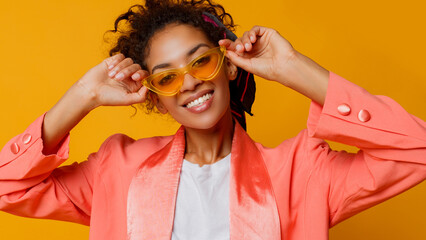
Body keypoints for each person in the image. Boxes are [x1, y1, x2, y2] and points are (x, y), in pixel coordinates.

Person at [0, 0, 425, 239]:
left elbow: (417, 151)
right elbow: (7, 188)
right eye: (167, 77)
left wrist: (294, 67)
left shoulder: (302, 171)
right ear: (156, 95)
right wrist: (82, 97)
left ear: (230, 65)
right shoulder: (117, 169)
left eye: (201, 62)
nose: (189, 84)